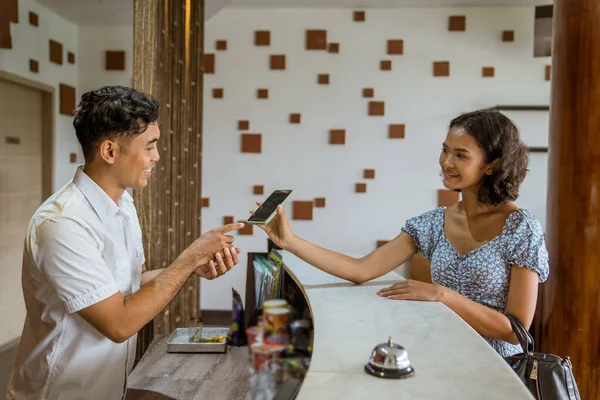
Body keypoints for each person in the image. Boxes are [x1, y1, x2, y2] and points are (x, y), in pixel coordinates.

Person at [6, 86, 243, 400]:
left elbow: (132, 283)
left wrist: (193, 267)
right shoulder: (61, 224)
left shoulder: (124, 204)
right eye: (149, 147)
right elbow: (118, 323)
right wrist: (186, 259)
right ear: (109, 152)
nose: (156, 157)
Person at [253, 109, 549, 358]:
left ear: (492, 165)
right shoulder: (433, 224)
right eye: (445, 150)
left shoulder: (521, 228)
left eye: (461, 155)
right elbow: (361, 269)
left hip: (497, 372)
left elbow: (516, 331)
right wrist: (289, 242)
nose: (447, 163)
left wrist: (441, 295)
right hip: (441, 358)